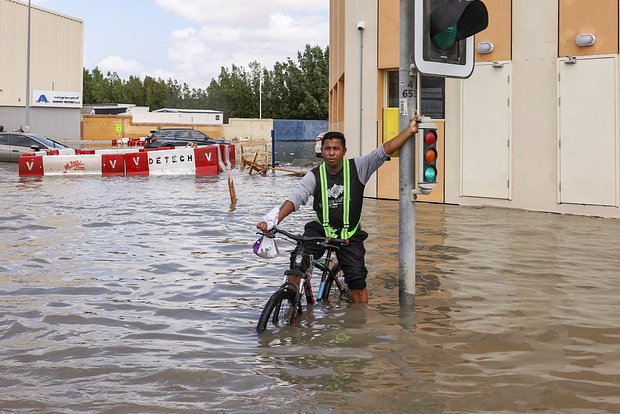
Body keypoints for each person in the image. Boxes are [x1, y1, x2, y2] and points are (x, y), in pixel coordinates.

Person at [256, 116, 421, 303]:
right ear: (322, 151)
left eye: (336, 149)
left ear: (344, 151)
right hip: (320, 230)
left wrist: (410, 130)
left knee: (357, 282)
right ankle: (291, 304)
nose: (331, 153)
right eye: (327, 148)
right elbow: (295, 198)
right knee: (298, 262)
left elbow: (383, 151)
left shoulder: (358, 167)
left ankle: (360, 321)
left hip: (349, 235)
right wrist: (274, 220)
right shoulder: (314, 175)